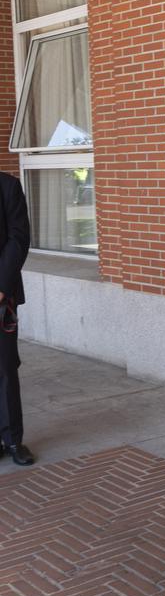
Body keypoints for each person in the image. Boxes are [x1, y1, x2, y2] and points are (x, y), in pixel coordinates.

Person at [0, 172, 34, 467]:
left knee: (5, 370)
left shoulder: (7, 186)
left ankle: (12, 440)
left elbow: (18, 239)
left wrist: (1, 287)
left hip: (0, 298)